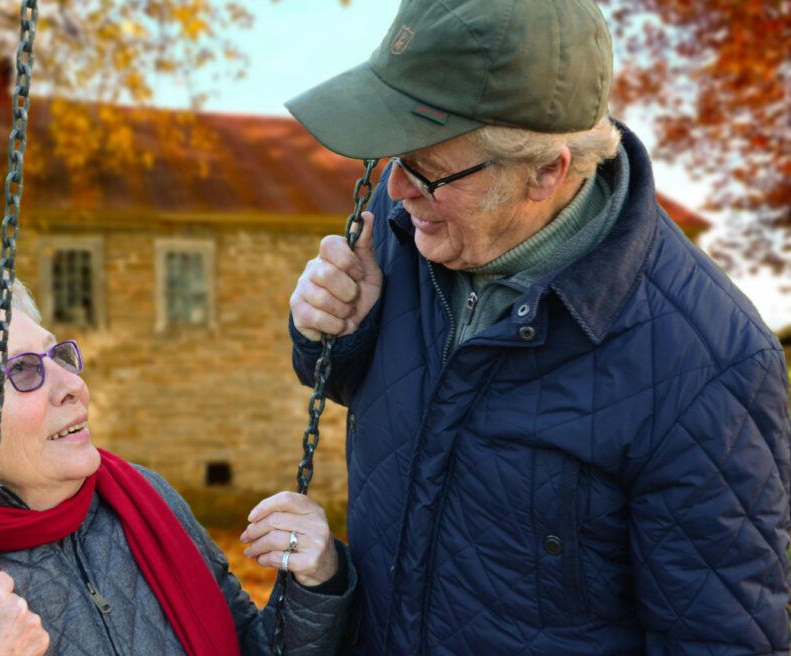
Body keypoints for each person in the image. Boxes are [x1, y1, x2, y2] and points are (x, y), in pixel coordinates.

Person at [285, 0, 791, 653]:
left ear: (546, 173)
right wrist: (333, 331)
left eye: (427, 171)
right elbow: (374, 395)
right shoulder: (412, 223)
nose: (398, 187)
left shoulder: (707, 365)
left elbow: (720, 638)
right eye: (391, 157)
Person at [0, 263, 354, 655]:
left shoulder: (146, 502)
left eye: (59, 356)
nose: (72, 384)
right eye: (22, 371)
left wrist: (315, 583)